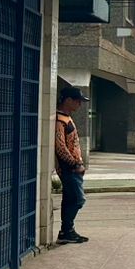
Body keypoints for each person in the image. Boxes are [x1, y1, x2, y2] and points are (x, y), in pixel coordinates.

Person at [54, 87, 89, 244]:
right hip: (69, 168)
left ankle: (67, 231)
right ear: (68, 100)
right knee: (77, 199)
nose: (80, 104)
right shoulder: (60, 120)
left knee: (69, 198)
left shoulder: (66, 118)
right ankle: (67, 230)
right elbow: (60, 147)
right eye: (77, 101)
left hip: (74, 166)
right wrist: (75, 163)